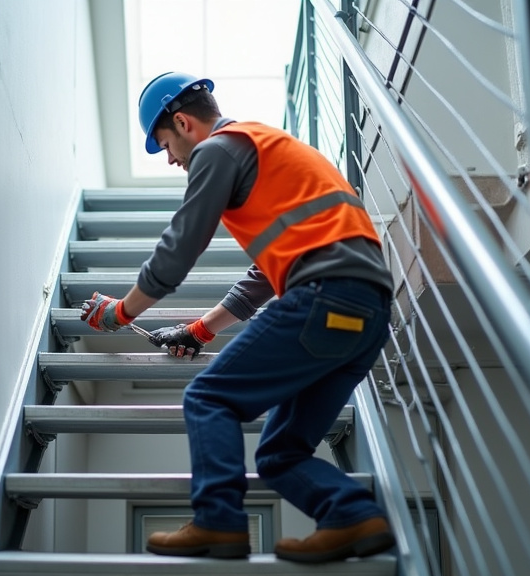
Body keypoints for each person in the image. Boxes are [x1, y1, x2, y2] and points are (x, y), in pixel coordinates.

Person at [80, 71, 396, 563]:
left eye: (165, 145)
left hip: (323, 297)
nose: (171, 159)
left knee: (208, 397)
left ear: (182, 123)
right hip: (366, 314)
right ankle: (351, 514)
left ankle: (218, 522)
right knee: (279, 453)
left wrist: (121, 312)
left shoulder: (217, 149)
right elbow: (263, 278)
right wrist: (201, 329)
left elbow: (180, 246)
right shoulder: (268, 148)